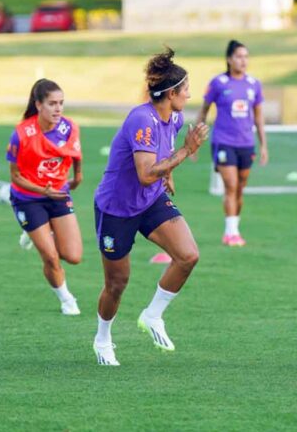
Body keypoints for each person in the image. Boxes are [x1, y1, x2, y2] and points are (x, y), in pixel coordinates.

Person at [92, 48, 209, 366]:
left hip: (151, 200)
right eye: (185, 89)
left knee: (188, 256)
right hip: (117, 208)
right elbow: (145, 174)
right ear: (171, 93)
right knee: (117, 284)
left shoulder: (174, 117)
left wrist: (168, 173)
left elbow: (162, 153)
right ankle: (102, 339)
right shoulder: (141, 120)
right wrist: (187, 151)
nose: (189, 94)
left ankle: (153, 315)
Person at [6, 78, 83, 316]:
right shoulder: (22, 134)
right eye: (52, 103)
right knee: (50, 256)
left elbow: (76, 154)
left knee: (73, 256)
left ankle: (38, 233)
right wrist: (43, 191)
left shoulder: (69, 127)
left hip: (58, 193)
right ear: (38, 105)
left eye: (61, 103)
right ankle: (66, 299)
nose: (58, 108)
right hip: (28, 197)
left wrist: (78, 177)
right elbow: (16, 177)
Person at [196, 39, 268, 247]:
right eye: (239, 56)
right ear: (229, 59)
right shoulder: (218, 83)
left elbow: (259, 116)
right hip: (223, 142)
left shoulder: (254, 84)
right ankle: (231, 232)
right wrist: (195, 141)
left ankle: (234, 226)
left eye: (246, 56)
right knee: (231, 185)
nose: (243, 60)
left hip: (246, 143)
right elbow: (203, 110)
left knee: (240, 189)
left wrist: (263, 144)